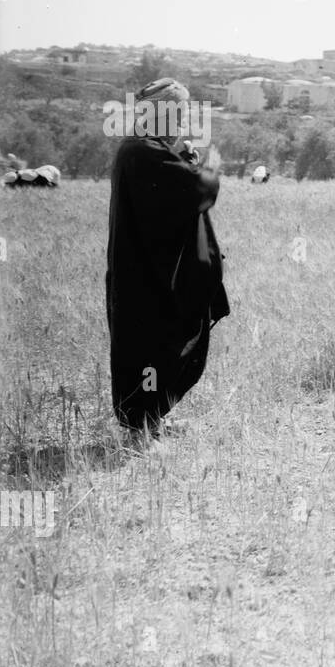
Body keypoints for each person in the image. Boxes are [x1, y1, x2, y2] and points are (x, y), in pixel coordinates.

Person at [106, 78, 230, 437]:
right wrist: (206, 169)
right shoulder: (142, 151)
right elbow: (194, 190)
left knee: (157, 349)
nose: (182, 120)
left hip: (150, 274)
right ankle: (142, 426)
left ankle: (152, 418)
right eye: (178, 113)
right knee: (150, 351)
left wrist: (187, 160)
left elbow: (173, 199)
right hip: (146, 279)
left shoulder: (144, 149)